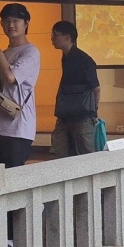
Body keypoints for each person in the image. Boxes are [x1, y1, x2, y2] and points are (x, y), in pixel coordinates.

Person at [0, 2, 40, 168]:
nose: (11, 25)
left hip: (18, 128)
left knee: (13, 177)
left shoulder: (30, 52)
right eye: (6, 21)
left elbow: (10, 77)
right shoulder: (7, 52)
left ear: (26, 23)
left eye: (16, 20)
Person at [50, 21, 100, 156]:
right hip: (66, 113)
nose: (52, 39)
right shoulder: (66, 57)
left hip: (82, 115)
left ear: (67, 37)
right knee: (60, 152)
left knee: (85, 154)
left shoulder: (84, 60)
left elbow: (96, 88)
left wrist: (93, 112)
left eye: (55, 35)